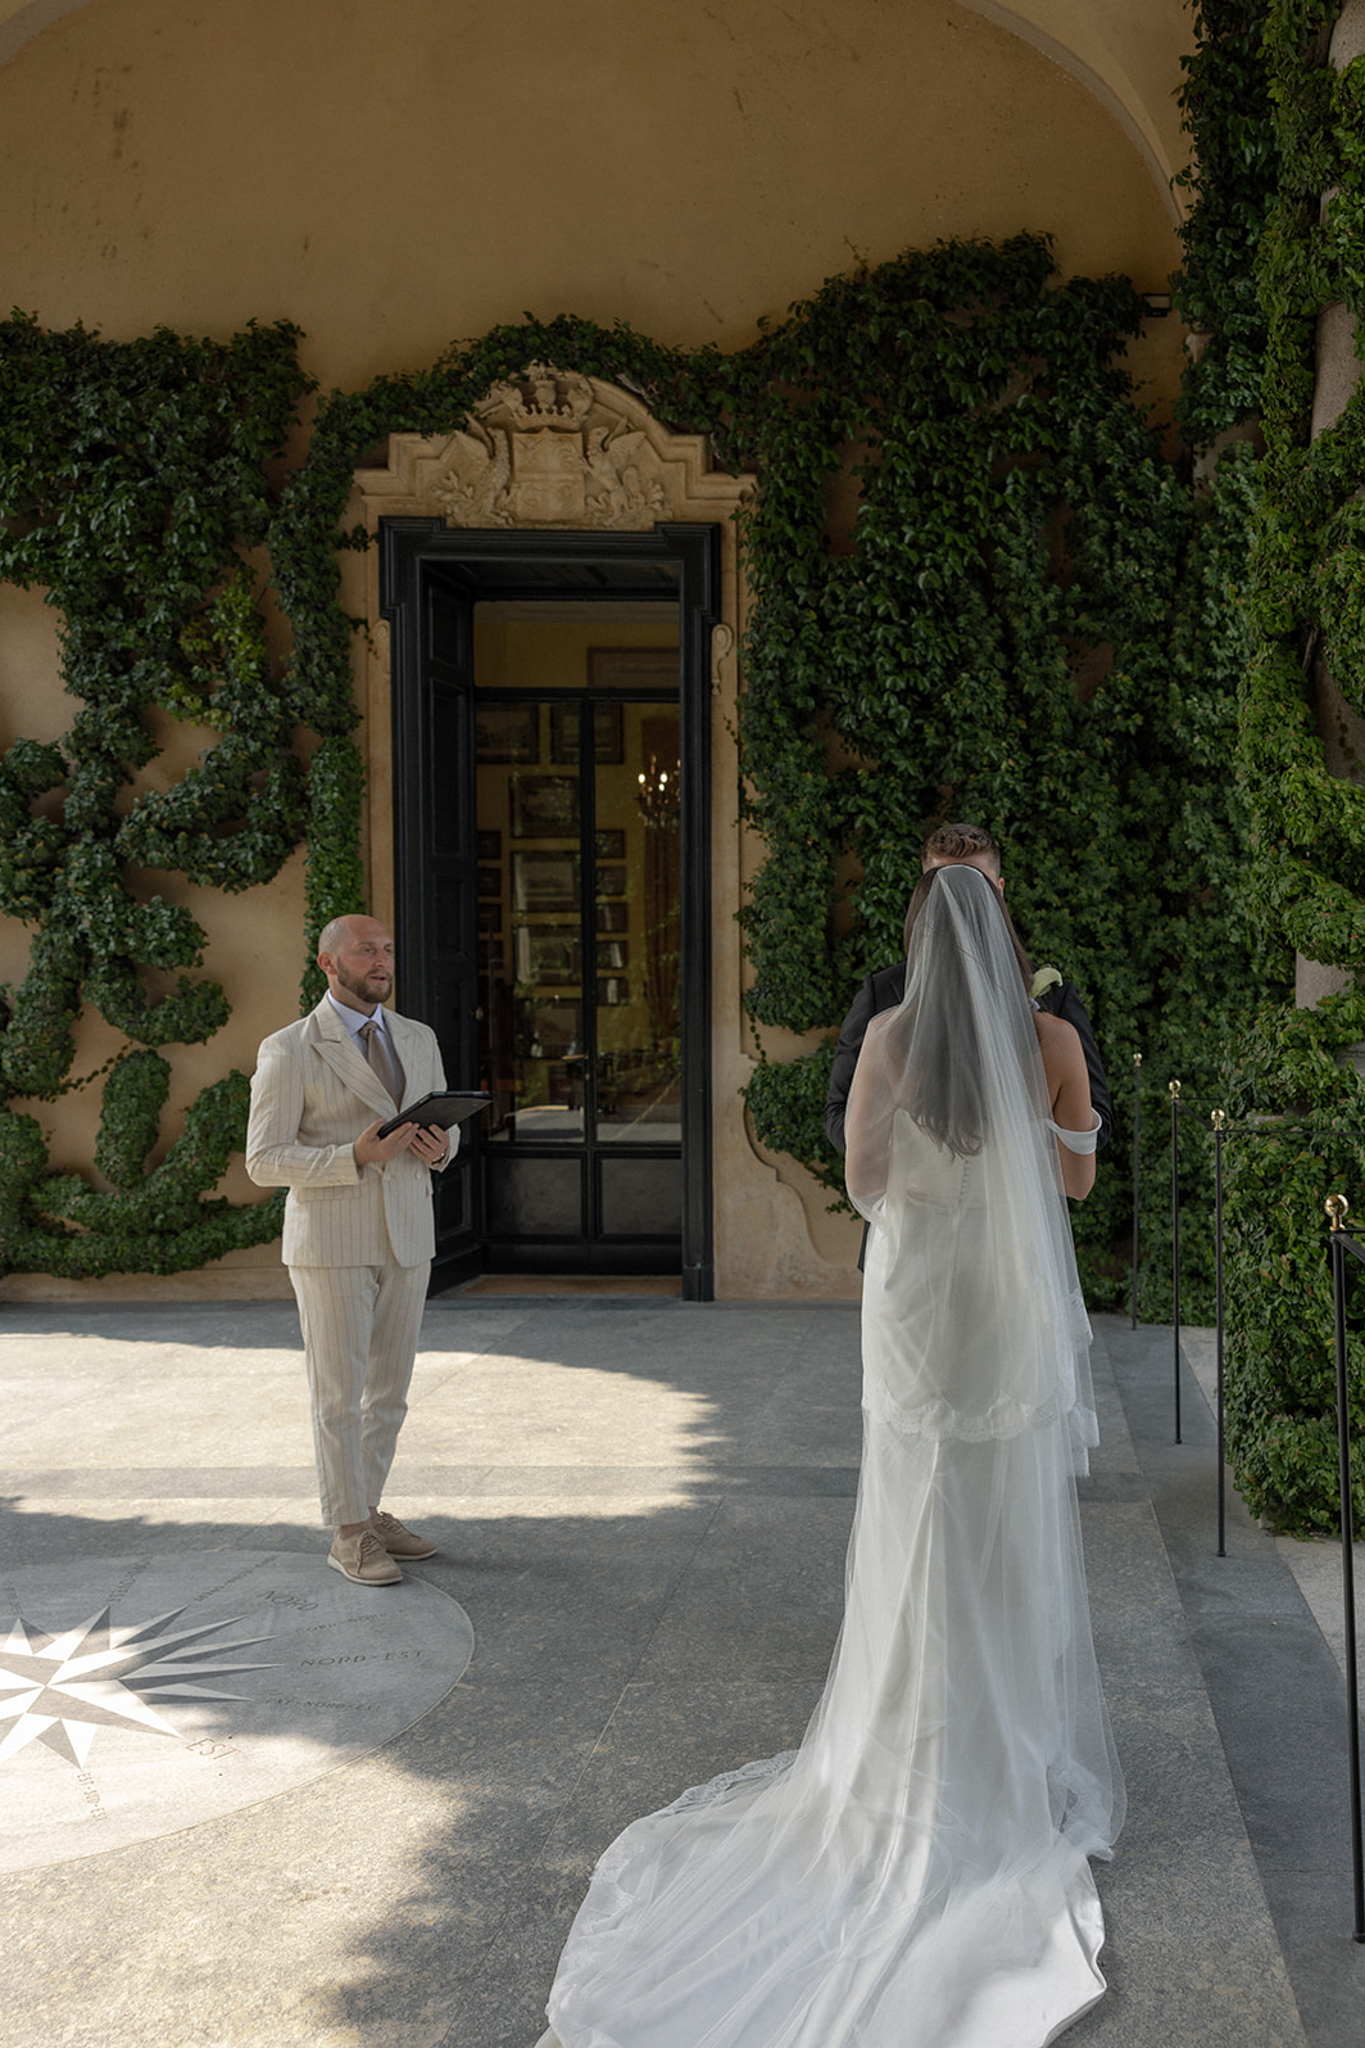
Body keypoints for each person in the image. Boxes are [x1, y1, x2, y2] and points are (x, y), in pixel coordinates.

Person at [536, 863, 1123, 2048]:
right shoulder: (1050, 1033)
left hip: (917, 1309)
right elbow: (1073, 1177)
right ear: (1008, 938)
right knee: (1001, 1524)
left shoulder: (895, 1032)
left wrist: (925, 1174)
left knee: (917, 1523)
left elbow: (859, 1180)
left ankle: (906, 1744)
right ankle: (999, 1750)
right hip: (1003, 1308)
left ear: (919, 936)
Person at [246, 913, 456, 1587]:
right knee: (339, 1396)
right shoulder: (289, 1049)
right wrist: (351, 1156)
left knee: (389, 1392)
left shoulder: (418, 1039)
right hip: (332, 1241)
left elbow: (443, 1128)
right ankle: (347, 1535)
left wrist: (442, 1148)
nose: (382, 960)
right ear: (328, 963)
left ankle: (367, 1509)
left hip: (408, 1234)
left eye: (388, 949)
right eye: (367, 950)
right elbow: (263, 1160)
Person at [824, 822, 1112, 1160]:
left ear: (999, 892)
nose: (959, 902)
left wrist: (999, 1167)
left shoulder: (1054, 999)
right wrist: (915, 1163)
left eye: (976, 887)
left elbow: (1098, 1124)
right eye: (944, 889)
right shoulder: (883, 993)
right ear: (924, 896)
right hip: (911, 1204)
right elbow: (837, 1113)